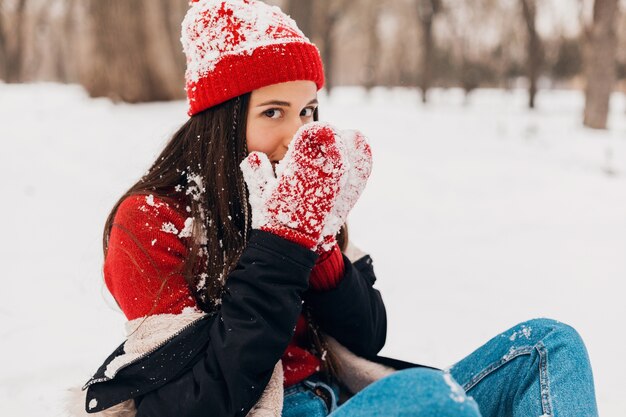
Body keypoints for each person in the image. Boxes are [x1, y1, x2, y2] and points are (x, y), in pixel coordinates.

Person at [71, 1, 599, 416]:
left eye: (307, 110)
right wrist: (283, 243)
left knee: (549, 346)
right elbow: (191, 403)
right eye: (273, 111)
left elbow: (368, 336)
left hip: (345, 397)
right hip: (273, 410)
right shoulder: (150, 220)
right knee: (426, 401)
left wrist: (321, 245)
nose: (298, 133)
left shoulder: (296, 187)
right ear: (221, 121)